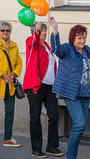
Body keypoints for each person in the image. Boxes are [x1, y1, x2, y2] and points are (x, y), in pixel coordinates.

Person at [48, 16, 90, 159]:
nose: (82, 41)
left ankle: (72, 154)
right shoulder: (67, 48)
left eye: (84, 38)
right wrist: (55, 29)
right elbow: (56, 49)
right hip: (70, 93)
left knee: (80, 126)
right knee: (79, 124)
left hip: (85, 94)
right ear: (73, 39)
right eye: (79, 38)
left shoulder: (88, 50)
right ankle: (71, 156)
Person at [23, 22, 63, 158]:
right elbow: (34, 39)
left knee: (54, 115)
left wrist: (55, 29)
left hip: (50, 87)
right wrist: (37, 30)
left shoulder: (47, 47)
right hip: (36, 85)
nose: (44, 33)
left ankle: (51, 146)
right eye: (42, 31)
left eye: (46, 31)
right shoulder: (31, 43)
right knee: (35, 117)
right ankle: (36, 148)